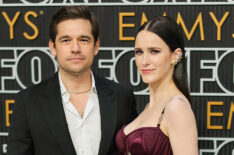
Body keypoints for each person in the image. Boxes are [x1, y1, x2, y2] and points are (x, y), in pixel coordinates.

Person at [7, 6, 137, 155]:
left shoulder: (122, 97)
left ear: (96, 46)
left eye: (83, 39)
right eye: (66, 40)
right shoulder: (28, 102)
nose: (75, 48)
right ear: (53, 47)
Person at [116, 16, 198, 155]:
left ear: (175, 56)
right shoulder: (149, 107)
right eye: (139, 52)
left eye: (154, 51)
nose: (144, 61)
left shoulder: (176, 107)